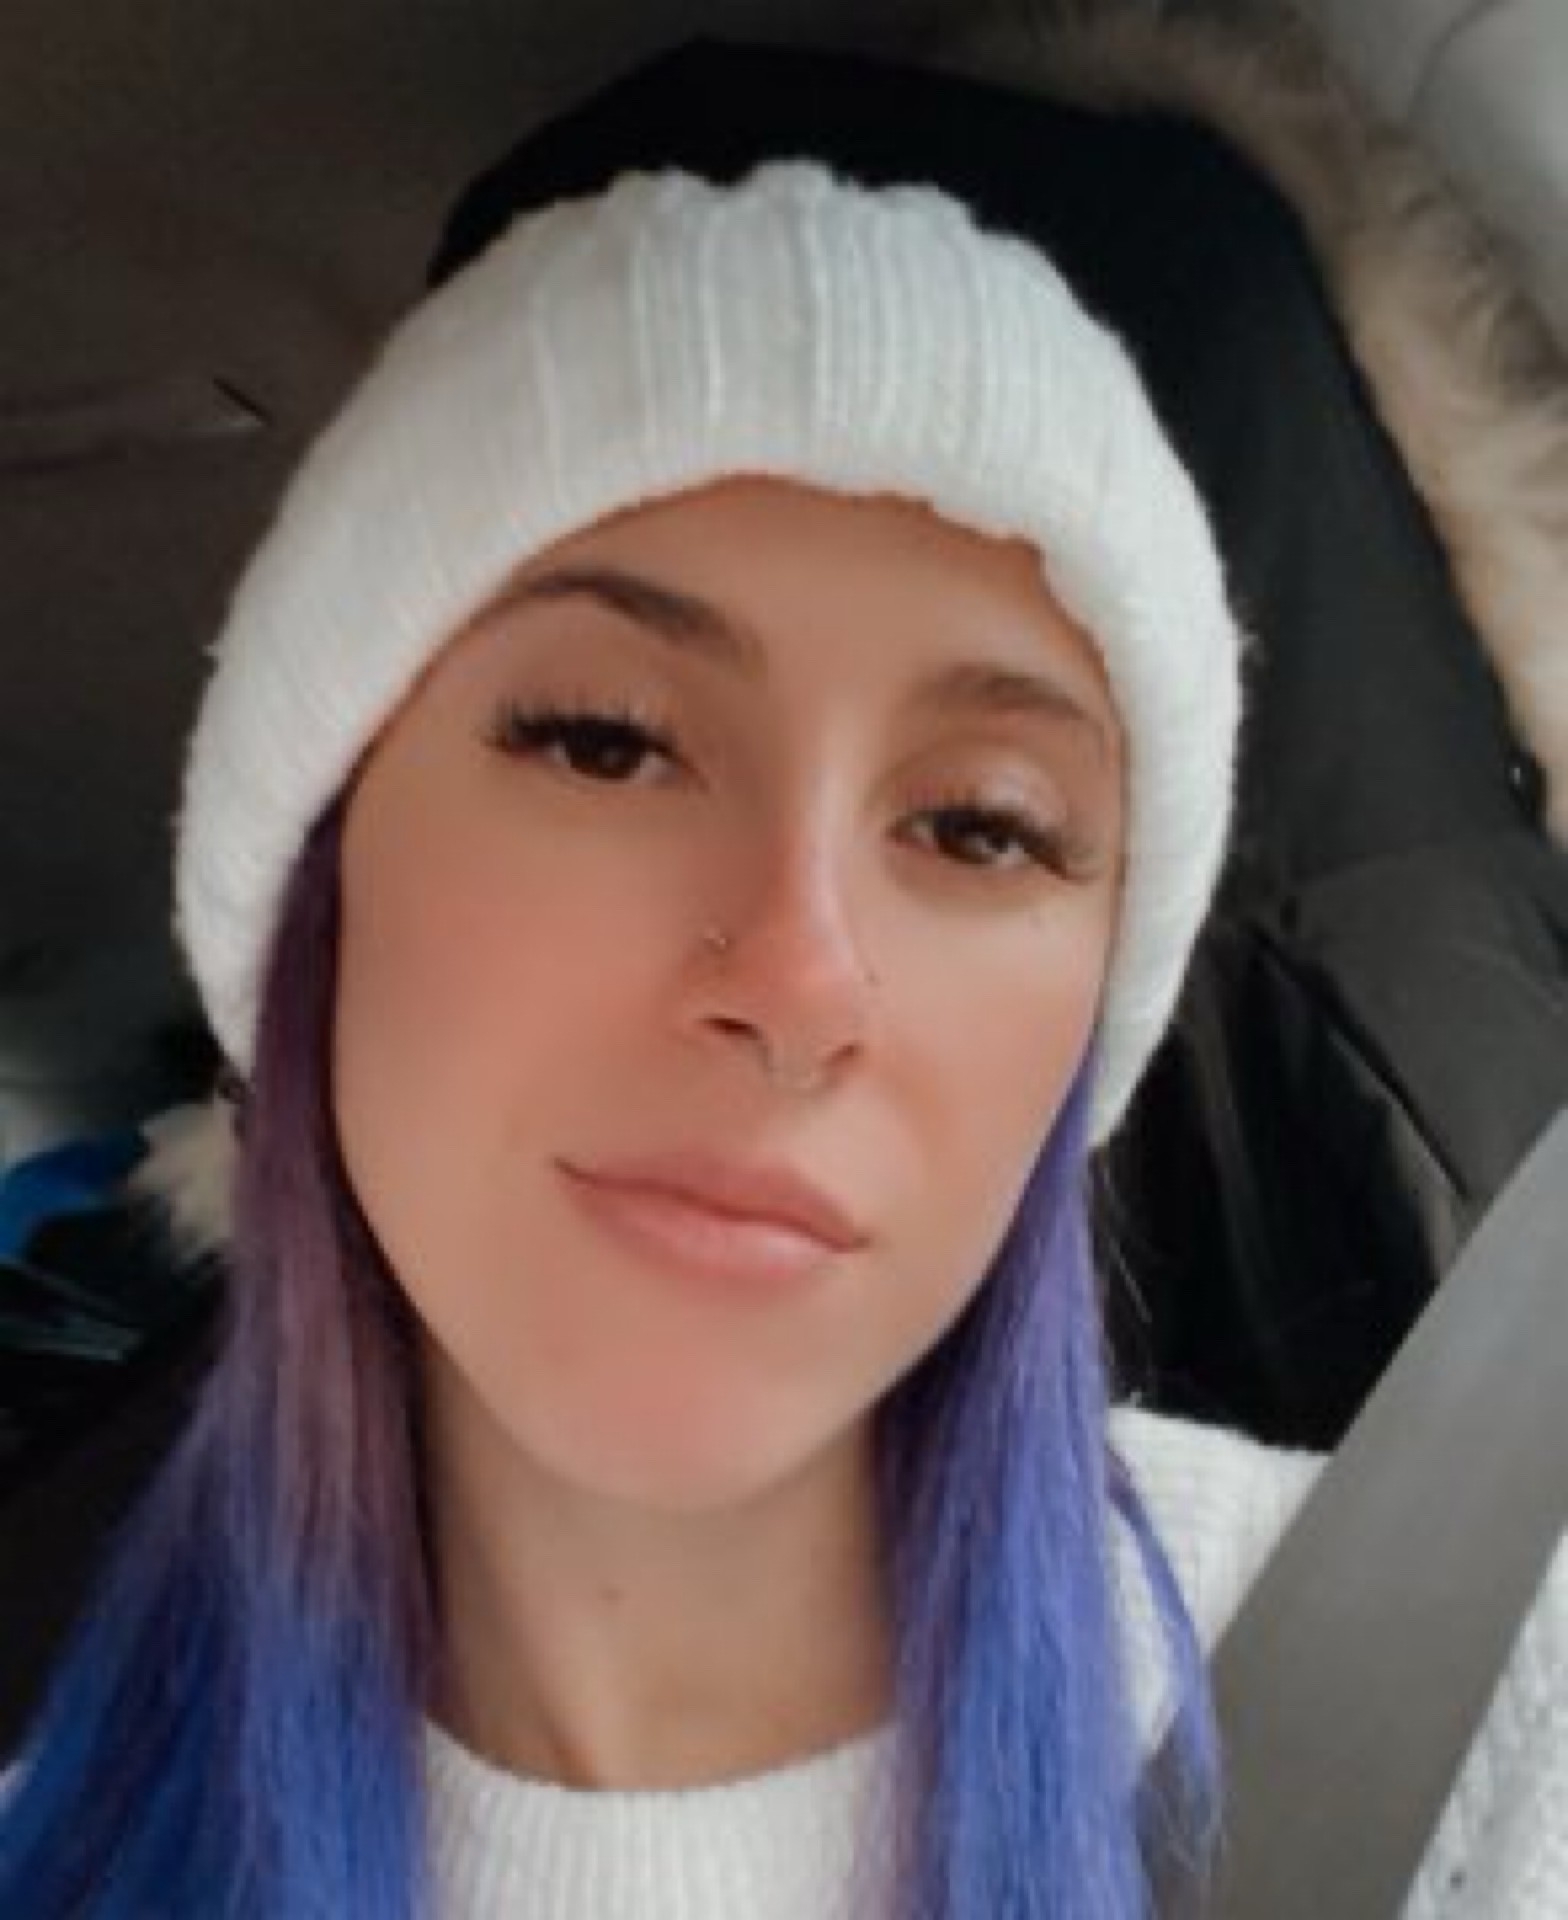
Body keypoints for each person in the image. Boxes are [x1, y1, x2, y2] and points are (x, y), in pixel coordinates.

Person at [0, 35, 1560, 1920]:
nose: (803, 979)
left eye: (983, 827)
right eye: (603, 741)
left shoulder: (1481, 1717)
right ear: (319, 871)